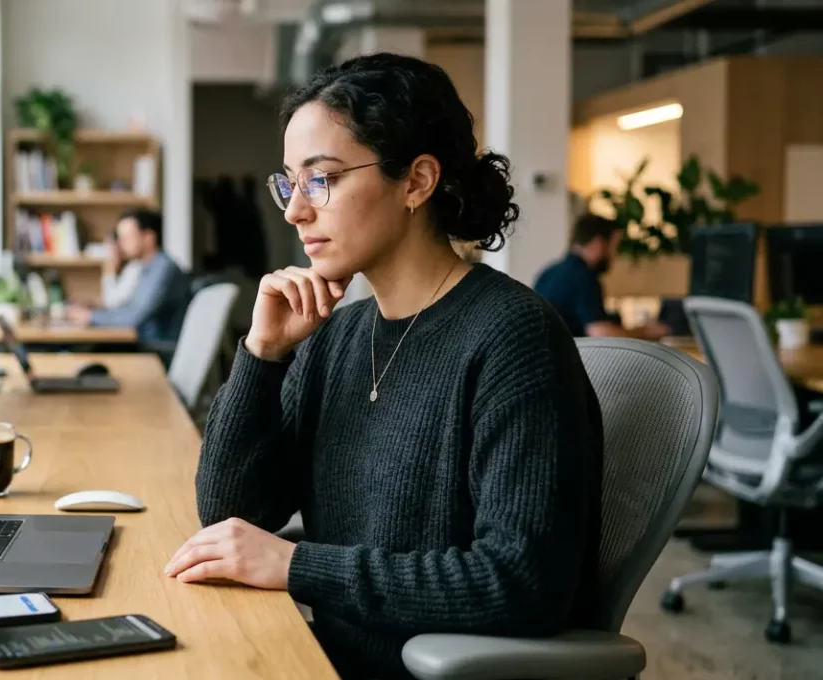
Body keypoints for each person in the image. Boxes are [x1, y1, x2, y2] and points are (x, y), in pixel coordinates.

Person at [162, 53, 603, 679]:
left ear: (417, 182)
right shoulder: (334, 335)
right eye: (289, 183)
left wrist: (295, 566)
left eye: (322, 180)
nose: (294, 212)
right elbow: (232, 513)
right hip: (322, 658)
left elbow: (521, 581)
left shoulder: (514, 338)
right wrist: (264, 355)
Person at [534, 213, 671, 339]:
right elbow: (601, 333)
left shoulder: (548, 273)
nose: (615, 256)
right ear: (599, 243)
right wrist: (645, 331)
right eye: (615, 247)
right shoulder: (583, 277)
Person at [67, 209, 189, 343]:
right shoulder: (146, 267)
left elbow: (133, 316)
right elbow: (128, 308)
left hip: (155, 349)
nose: (119, 244)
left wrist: (89, 316)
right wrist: (93, 310)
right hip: (143, 343)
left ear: (149, 238)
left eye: (127, 238)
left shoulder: (162, 268)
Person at [99, 233, 143, 310]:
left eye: (110, 248)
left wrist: (109, 272)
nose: (108, 254)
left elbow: (112, 303)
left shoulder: (135, 267)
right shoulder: (126, 268)